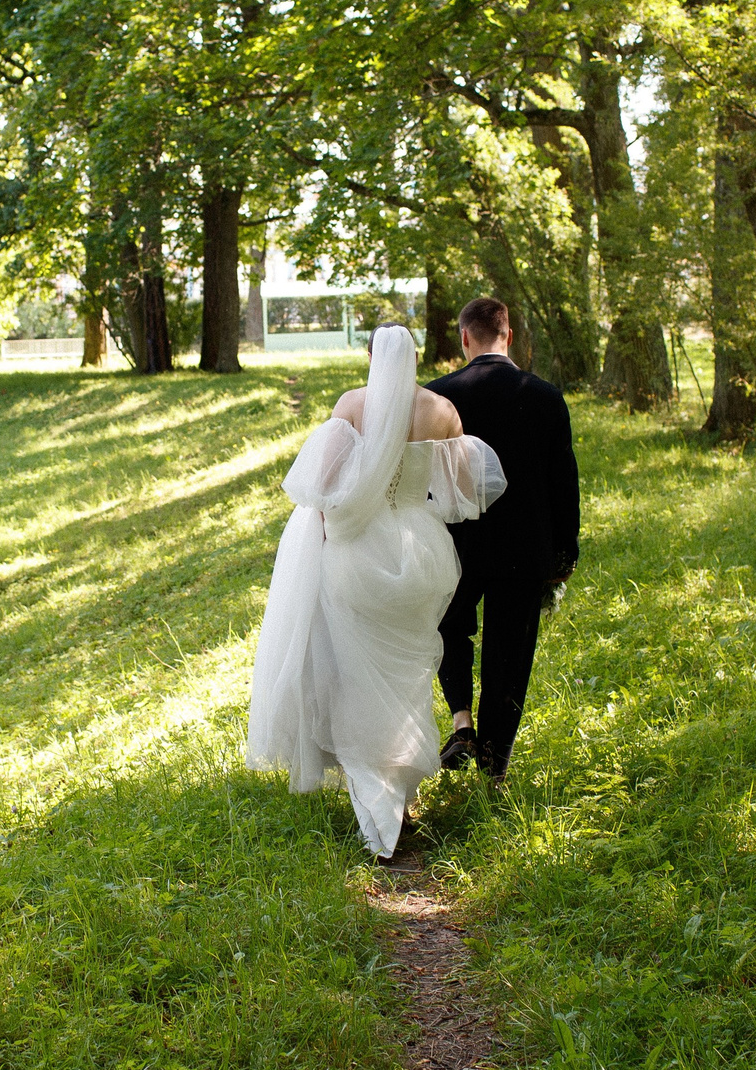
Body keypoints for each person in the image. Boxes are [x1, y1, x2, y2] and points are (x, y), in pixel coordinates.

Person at [247, 324, 506, 858]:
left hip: (357, 555)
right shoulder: (441, 410)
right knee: (407, 678)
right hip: (419, 554)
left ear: (369, 357)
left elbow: (320, 486)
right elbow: (461, 493)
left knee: (357, 675)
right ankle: (398, 798)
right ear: (413, 359)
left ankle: (378, 801)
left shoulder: (351, 404)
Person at [424, 296, 580, 781]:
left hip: (454, 546)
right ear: (509, 336)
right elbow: (564, 482)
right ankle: (495, 766)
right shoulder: (545, 396)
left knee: (449, 629)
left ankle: (461, 721)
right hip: (523, 547)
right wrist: (564, 551)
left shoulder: (436, 396)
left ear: (464, 338)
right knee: (510, 653)